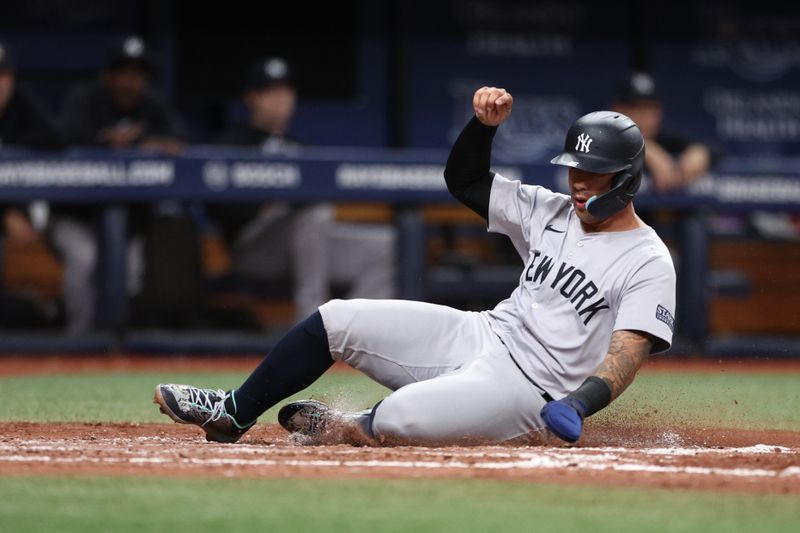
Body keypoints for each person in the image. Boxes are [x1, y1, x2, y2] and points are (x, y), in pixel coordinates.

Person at [155, 86, 677, 446]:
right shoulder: (551, 209)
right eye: (575, 169)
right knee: (337, 319)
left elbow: (627, 353)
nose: (580, 181)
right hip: (483, 333)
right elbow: (466, 180)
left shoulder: (647, 259)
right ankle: (234, 412)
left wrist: (579, 404)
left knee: (398, 418)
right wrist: (482, 126)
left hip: (530, 391)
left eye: (596, 173)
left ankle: (346, 426)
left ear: (627, 178)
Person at [208, 57, 395, 320]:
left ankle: (353, 327)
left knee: (388, 245)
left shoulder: (299, 147)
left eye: (286, 91)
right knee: (313, 214)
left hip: (305, 240)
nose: (280, 99)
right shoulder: (232, 142)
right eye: (270, 91)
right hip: (253, 246)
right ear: (252, 97)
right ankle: (312, 324)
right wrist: (267, 203)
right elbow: (214, 205)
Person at [55, 35, 188, 333]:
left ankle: (116, 349)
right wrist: (105, 141)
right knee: (85, 260)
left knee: (129, 272)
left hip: (129, 224)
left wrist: (141, 141)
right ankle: (77, 342)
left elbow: (180, 138)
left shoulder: (152, 105)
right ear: (108, 75)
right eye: (123, 74)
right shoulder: (85, 99)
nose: (129, 82)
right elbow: (60, 136)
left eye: (137, 75)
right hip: (77, 217)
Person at [612, 72, 712, 192]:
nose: (642, 117)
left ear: (659, 113)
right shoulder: (602, 136)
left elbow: (716, 150)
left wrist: (700, 152)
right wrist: (642, 147)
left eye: (648, 109)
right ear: (617, 110)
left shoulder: (666, 139)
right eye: (634, 108)